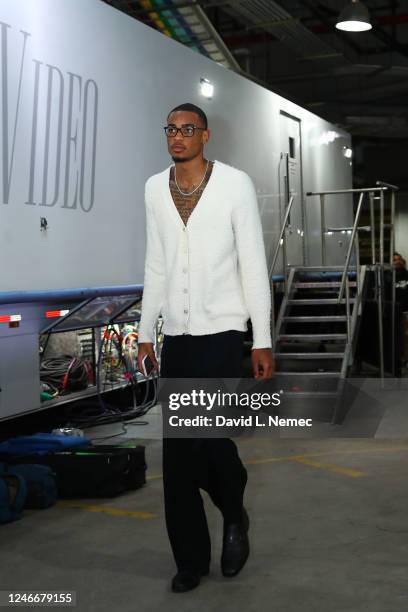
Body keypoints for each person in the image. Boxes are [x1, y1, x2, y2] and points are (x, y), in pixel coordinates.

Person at [137, 102, 274, 593]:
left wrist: (262, 339)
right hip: (177, 335)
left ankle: (234, 515)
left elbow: (253, 265)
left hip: (222, 334)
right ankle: (190, 560)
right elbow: (156, 263)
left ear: (206, 135)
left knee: (210, 440)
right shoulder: (155, 188)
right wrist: (146, 330)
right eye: (170, 129)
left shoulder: (235, 183)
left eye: (187, 129)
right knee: (177, 456)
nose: (177, 136)